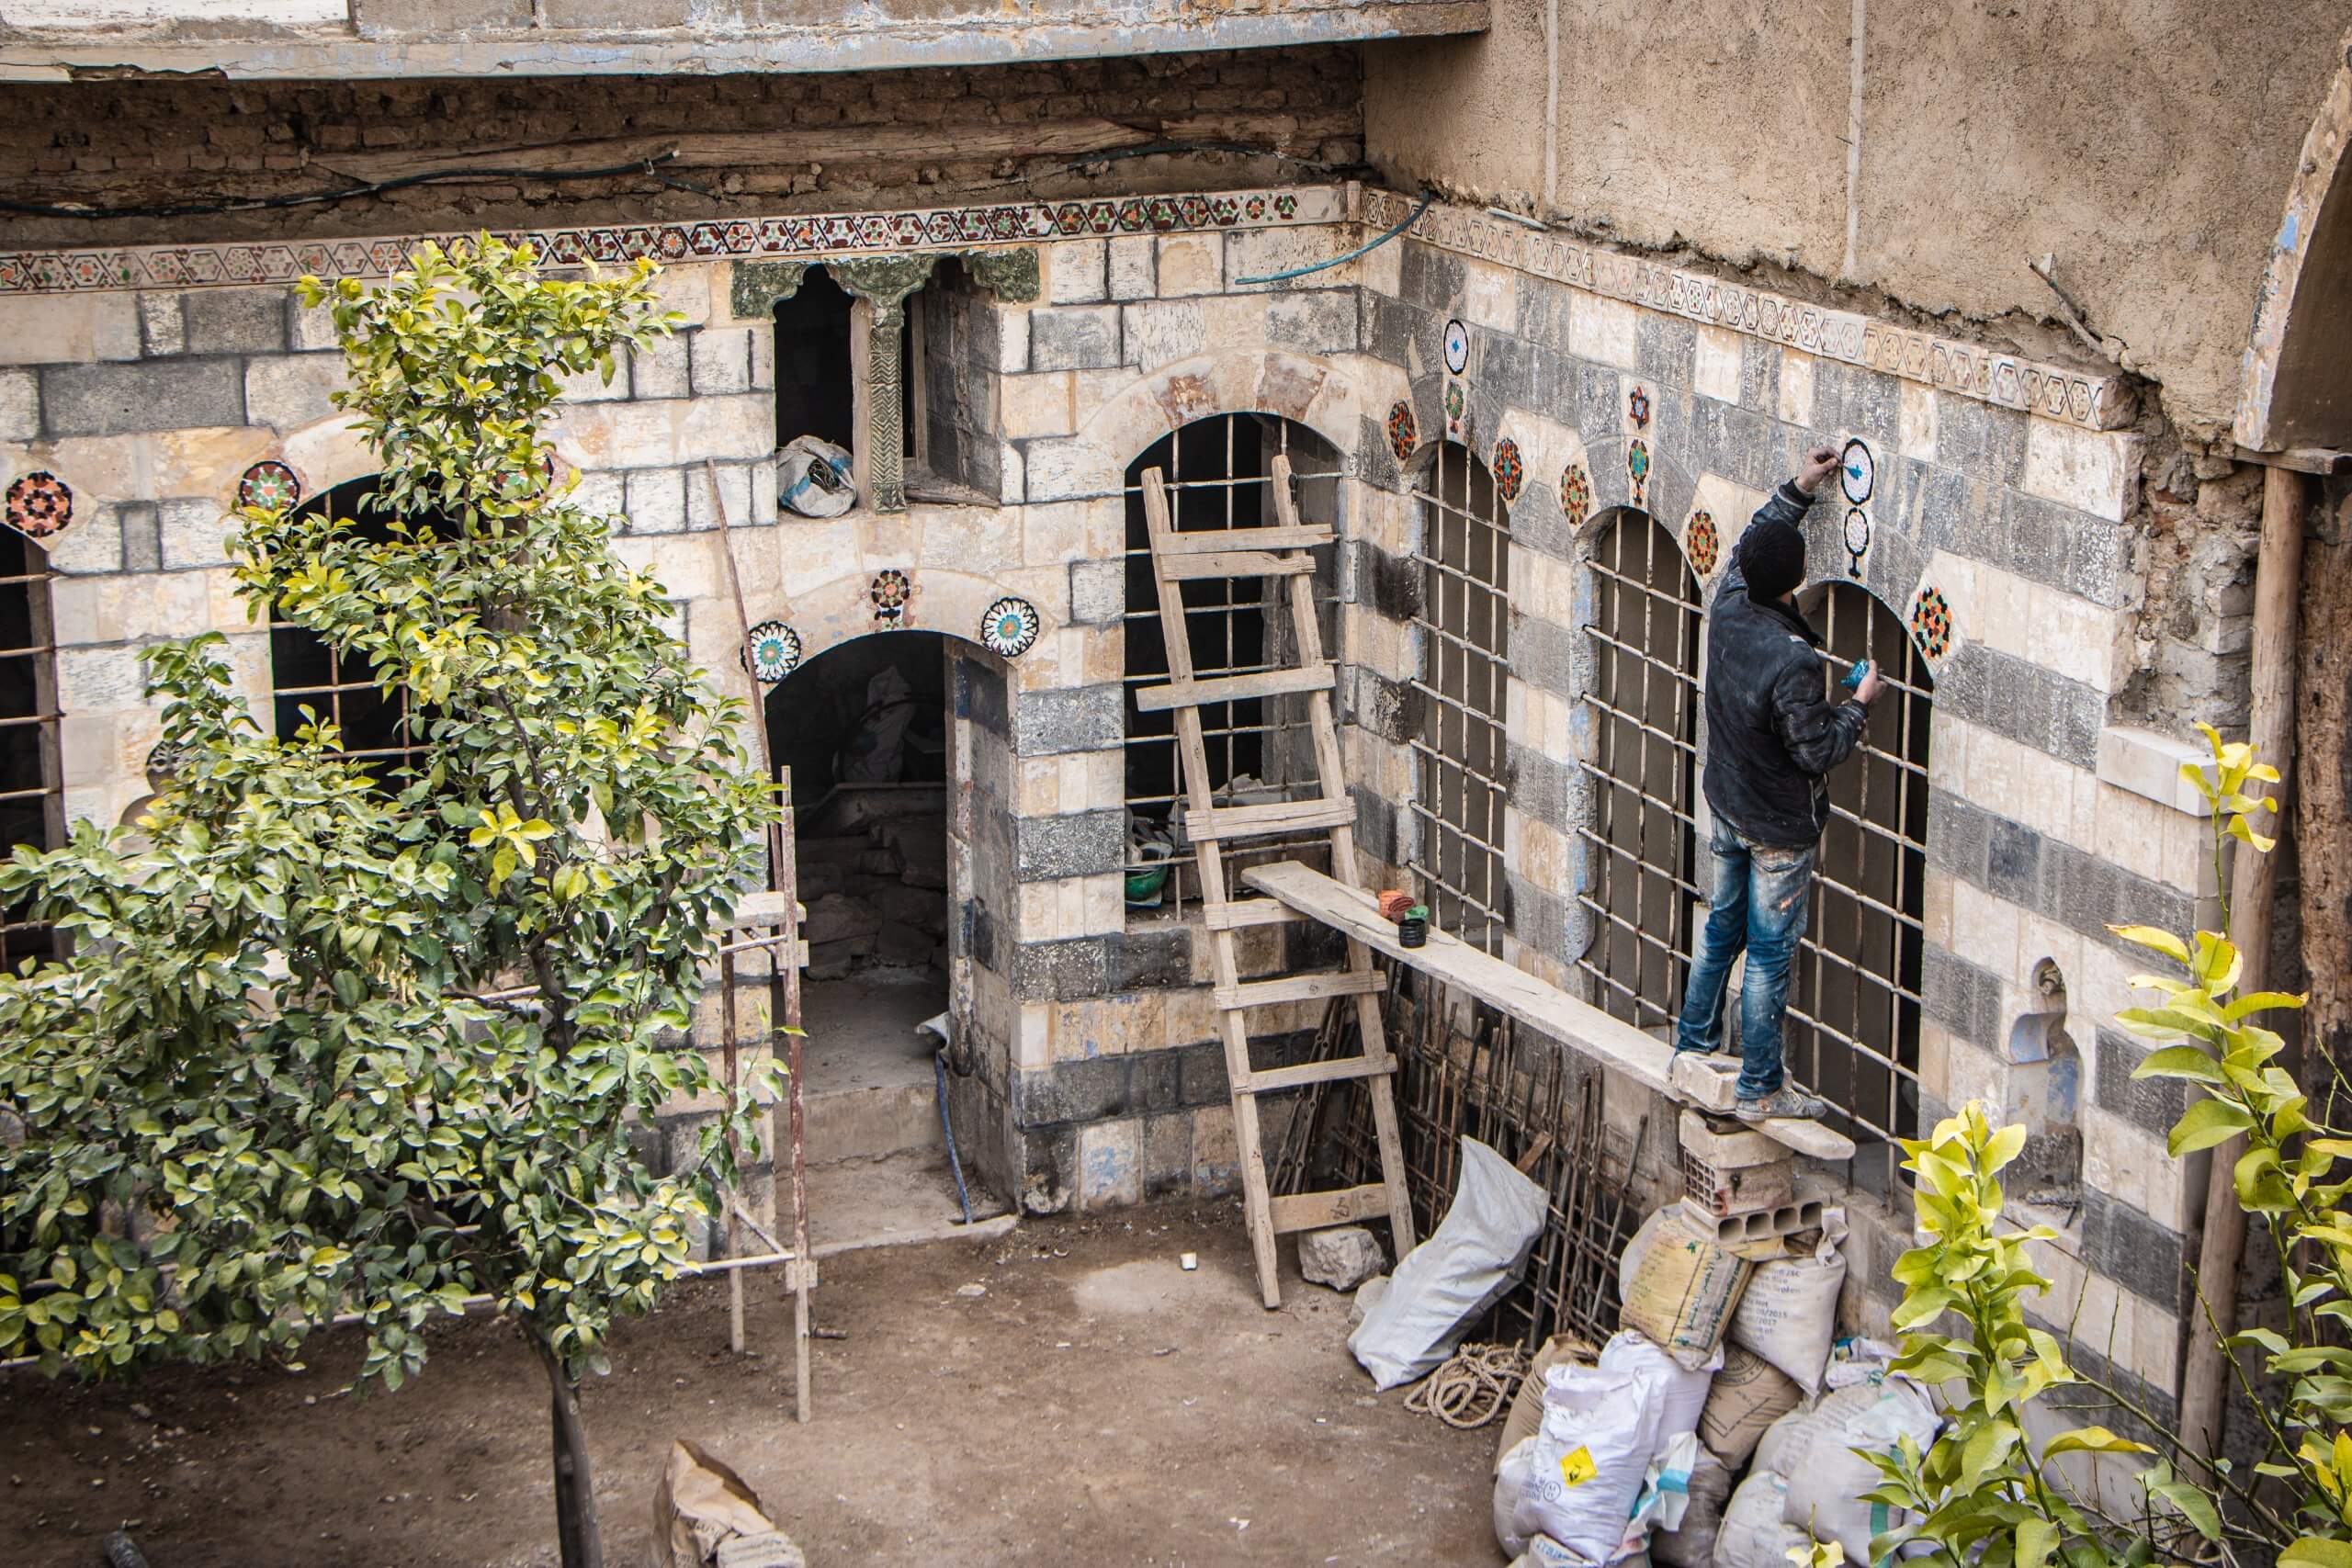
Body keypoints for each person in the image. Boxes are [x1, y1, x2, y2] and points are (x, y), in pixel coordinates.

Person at [1673, 444, 1884, 1123]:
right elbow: (1815, 749)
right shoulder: (1792, 659)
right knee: (1767, 955)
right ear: (1793, 583)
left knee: (1719, 932)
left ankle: (1693, 1047)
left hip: (1727, 805)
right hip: (1774, 829)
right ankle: (1761, 1086)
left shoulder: (1729, 601)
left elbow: (1752, 540)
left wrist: (1800, 486)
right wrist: (1859, 704)